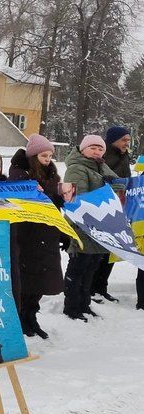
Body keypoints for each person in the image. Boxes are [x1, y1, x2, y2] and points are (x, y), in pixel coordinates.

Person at [7, 134, 63, 339]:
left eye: (49, 155)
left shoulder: (52, 175)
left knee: (41, 279)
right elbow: (18, 196)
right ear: (33, 155)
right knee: (26, 279)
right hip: (27, 233)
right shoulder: (21, 174)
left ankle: (32, 316)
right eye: (43, 155)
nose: (47, 159)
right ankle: (21, 317)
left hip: (47, 234)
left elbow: (55, 202)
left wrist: (64, 196)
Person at [62, 135, 118, 322]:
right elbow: (78, 198)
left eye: (100, 149)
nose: (97, 152)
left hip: (100, 226)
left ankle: (84, 304)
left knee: (90, 269)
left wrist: (113, 183)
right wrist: (105, 186)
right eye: (93, 148)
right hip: (82, 226)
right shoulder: (77, 168)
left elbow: (119, 186)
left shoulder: (102, 167)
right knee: (78, 268)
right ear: (83, 149)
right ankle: (71, 307)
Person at [91, 126, 133, 303]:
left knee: (111, 252)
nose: (127, 143)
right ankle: (92, 289)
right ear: (114, 140)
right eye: (124, 140)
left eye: (128, 140)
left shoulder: (124, 157)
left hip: (119, 209)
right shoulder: (105, 157)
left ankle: (102, 287)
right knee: (99, 253)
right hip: (103, 209)